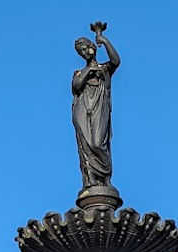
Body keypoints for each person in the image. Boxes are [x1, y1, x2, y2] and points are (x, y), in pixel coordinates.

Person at [71, 22, 120, 190]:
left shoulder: (104, 69)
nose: (85, 52)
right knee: (86, 145)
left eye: (86, 48)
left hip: (99, 108)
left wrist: (103, 40)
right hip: (83, 110)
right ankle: (90, 180)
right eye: (81, 51)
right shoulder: (79, 73)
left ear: (93, 46)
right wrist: (88, 71)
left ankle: (104, 177)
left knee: (98, 143)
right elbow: (77, 86)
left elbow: (116, 60)